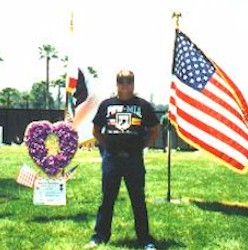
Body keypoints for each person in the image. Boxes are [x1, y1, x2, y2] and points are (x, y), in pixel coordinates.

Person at [85, 70, 160, 250]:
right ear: (116, 84)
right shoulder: (106, 105)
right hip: (112, 159)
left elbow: (155, 129)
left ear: (133, 84)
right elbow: (96, 131)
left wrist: (141, 145)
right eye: (121, 81)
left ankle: (145, 239)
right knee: (107, 199)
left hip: (134, 159)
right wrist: (108, 146)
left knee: (138, 199)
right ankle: (100, 236)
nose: (125, 85)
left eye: (129, 81)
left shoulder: (143, 105)